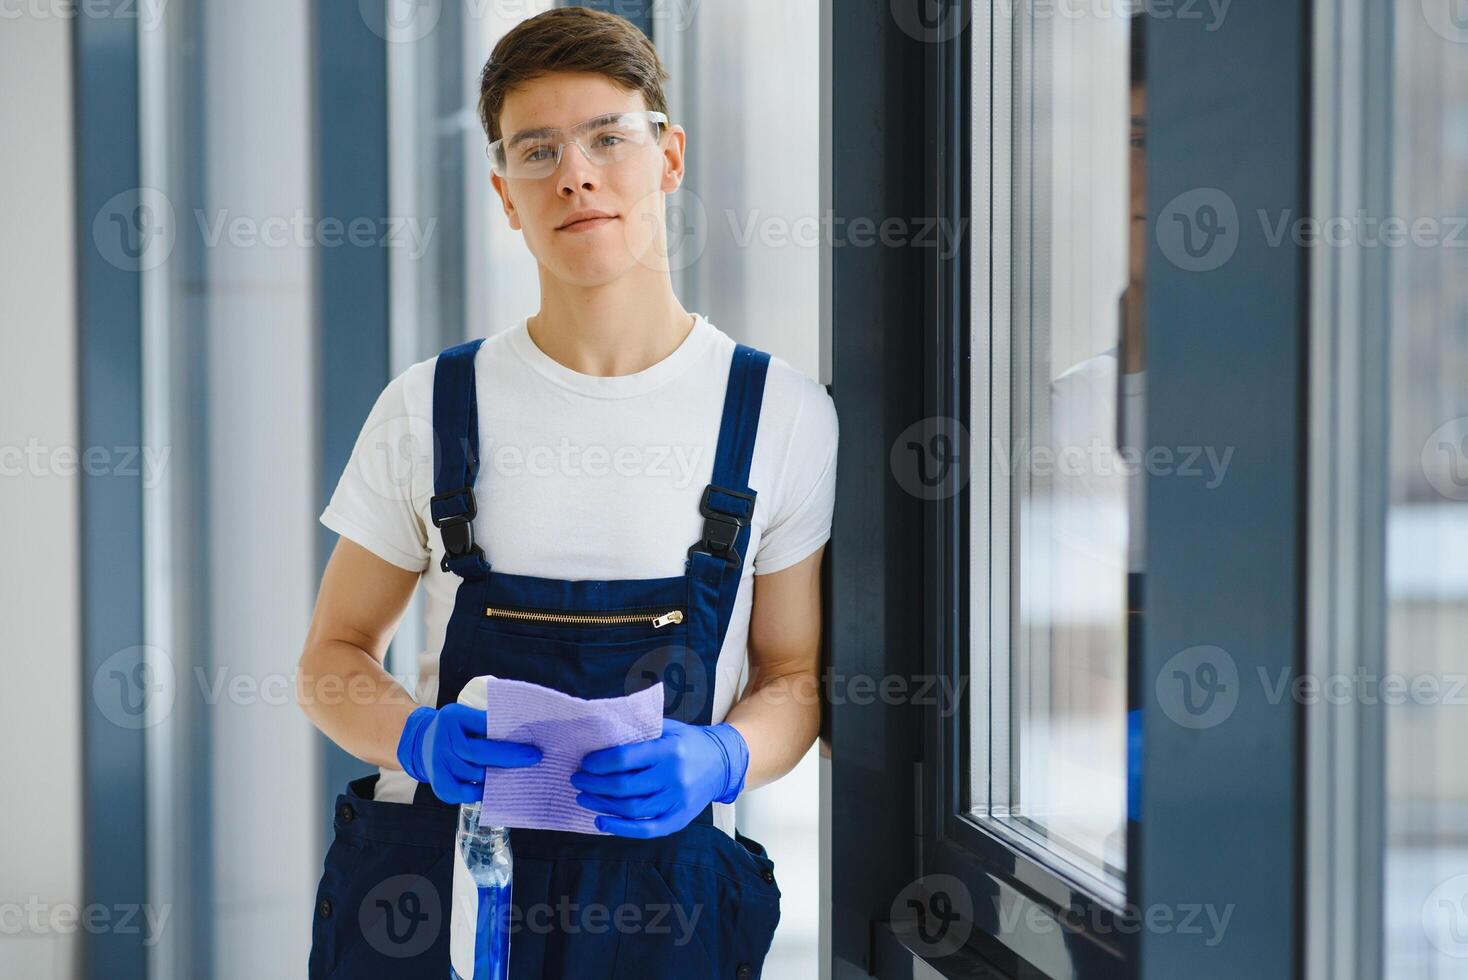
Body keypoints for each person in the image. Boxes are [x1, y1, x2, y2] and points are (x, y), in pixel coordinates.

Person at [295, 7, 838, 978]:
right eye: (535, 150)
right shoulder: (428, 405)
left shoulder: (778, 415)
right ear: (506, 195)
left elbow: (793, 678)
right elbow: (329, 659)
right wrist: (413, 737)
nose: (575, 174)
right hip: (436, 890)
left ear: (668, 157)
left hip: (660, 905)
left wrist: (717, 760)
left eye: (606, 139)